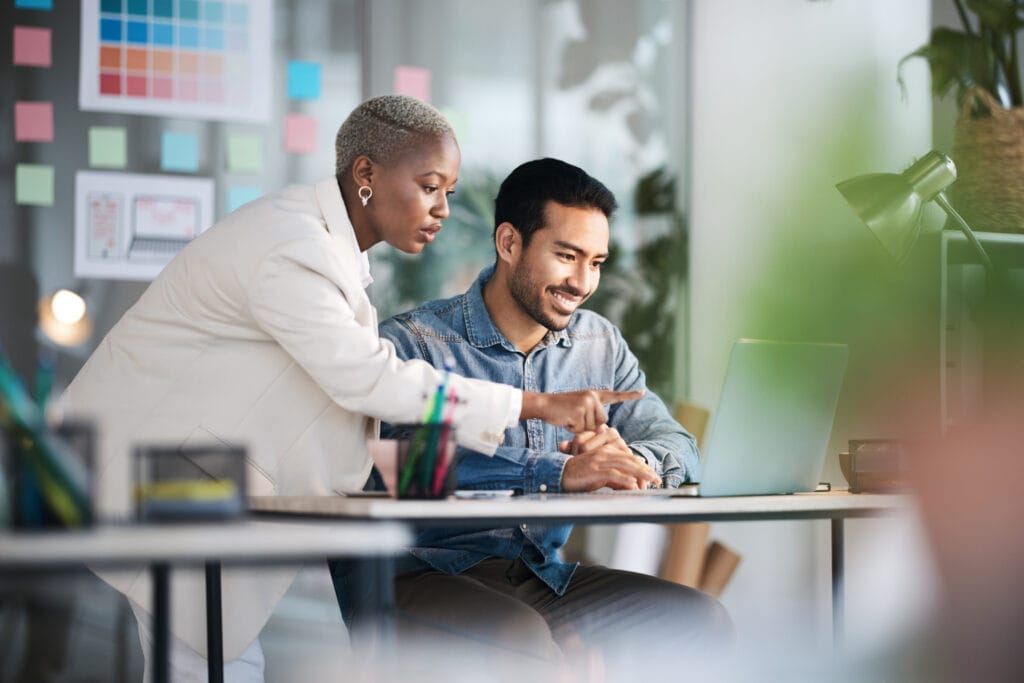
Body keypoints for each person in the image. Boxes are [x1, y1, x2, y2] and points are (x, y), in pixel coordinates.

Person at [61, 99, 639, 682]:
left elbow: (367, 421)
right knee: (207, 662)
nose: (442, 209)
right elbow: (368, 381)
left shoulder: (327, 251)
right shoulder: (294, 247)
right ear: (366, 175)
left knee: (214, 658)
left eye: (450, 192)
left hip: (196, 476)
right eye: (429, 186)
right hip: (164, 474)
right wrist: (533, 409)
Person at [350, 157, 732, 670]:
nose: (582, 282)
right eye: (567, 256)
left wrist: (630, 458)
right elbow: (395, 468)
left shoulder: (598, 345)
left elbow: (680, 444)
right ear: (509, 244)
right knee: (520, 638)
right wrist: (558, 473)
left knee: (698, 622)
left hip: (538, 576)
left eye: (596, 262)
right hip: (417, 575)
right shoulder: (416, 344)